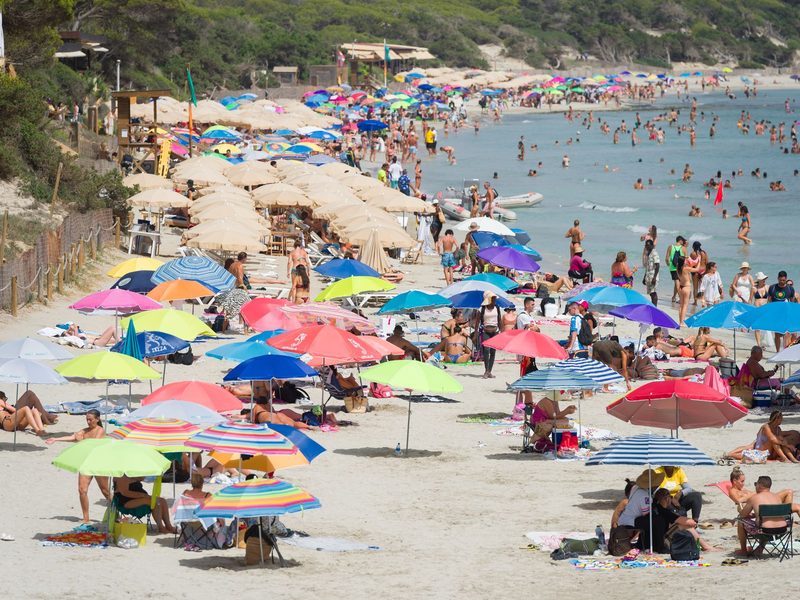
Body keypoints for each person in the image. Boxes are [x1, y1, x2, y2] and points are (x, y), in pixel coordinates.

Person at [45, 409, 110, 526]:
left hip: (98, 463)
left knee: (105, 491)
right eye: (87, 420)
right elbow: (72, 437)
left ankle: (117, 512)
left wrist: (81, 440)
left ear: (97, 419)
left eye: (90, 420)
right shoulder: (84, 431)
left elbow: (93, 445)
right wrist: (56, 439)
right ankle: (86, 518)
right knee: (82, 490)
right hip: (86, 464)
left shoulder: (100, 430)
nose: (88, 422)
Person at [652, 488, 721, 553]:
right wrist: (692, 522)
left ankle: (703, 545)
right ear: (667, 499)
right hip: (662, 543)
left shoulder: (656, 509)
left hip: (654, 542)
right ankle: (705, 546)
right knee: (685, 525)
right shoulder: (663, 511)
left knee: (682, 524)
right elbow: (689, 522)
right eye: (671, 497)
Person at [736, 476, 788, 557]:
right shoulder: (777, 497)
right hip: (782, 530)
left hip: (765, 531)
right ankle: (760, 549)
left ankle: (743, 550)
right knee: (767, 521)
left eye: (755, 484)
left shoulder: (754, 498)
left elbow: (743, 515)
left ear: (759, 485)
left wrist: (754, 515)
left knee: (740, 520)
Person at [617, 469, 667, 552]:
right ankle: (661, 547)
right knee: (659, 520)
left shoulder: (636, 488)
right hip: (630, 521)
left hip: (626, 518)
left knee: (653, 520)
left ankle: (642, 544)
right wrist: (656, 499)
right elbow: (647, 513)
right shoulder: (643, 495)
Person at [726, 411, 800, 463]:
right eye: (781, 418)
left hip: (770, 450)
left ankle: (791, 458)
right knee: (774, 439)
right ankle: (785, 458)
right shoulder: (766, 427)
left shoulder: (778, 428)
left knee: (779, 441)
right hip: (761, 448)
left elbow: (781, 439)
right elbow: (772, 439)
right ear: (776, 419)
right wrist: (786, 444)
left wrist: (786, 442)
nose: (782, 420)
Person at [768, 271, 797, 351]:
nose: (782, 282)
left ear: (786, 279)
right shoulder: (772, 287)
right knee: (777, 333)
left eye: (783, 280)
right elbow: (769, 302)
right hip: (776, 314)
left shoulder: (790, 289)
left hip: (786, 314)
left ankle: (786, 351)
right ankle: (778, 351)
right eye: (780, 280)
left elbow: (792, 303)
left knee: (787, 334)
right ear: (778, 278)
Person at [475, 291, 501, 378]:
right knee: (486, 350)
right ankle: (486, 370)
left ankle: (489, 371)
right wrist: (475, 334)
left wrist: (502, 331)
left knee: (493, 351)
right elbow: (477, 322)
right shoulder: (482, 309)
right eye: (493, 299)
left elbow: (499, 320)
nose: (495, 301)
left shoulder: (497, 308)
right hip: (486, 331)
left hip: (495, 331)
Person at [676, 255, 699, 326]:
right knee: (685, 306)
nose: (686, 261)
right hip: (686, 287)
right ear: (683, 262)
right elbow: (697, 269)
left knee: (681, 306)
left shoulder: (678, 267)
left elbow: (681, 263)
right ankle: (682, 322)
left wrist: (686, 258)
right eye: (685, 260)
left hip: (681, 287)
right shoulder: (685, 269)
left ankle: (680, 322)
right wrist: (699, 261)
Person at [666, 236, 687, 303]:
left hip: (673, 267)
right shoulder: (683, 248)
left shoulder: (670, 247)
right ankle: (681, 298)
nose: (683, 242)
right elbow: (686, 259)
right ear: (680, 241)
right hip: (681, 268)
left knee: (676, 282)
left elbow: (666, 258)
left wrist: (668, 264)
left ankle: (674, 297)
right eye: (682, 241)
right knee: (678, 283)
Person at [752, 272, 770, 346]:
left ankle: (763, 343)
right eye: (762, 279)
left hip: (765, 310)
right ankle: (759, 345)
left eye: (764, 279)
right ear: (758, 280)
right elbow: (750, 300)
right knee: (757, 328)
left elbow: (770, 299)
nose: (764, 280)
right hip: (757, 309)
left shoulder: (767, 287)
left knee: (765, 327)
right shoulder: (754, 288)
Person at [642, 239, 660, 305]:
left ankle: (655, 308)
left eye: (648, 246)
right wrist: (644, 277)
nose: (647, 247)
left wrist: (654, 277)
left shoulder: (654, 253)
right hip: (648, 276)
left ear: (652, 246)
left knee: (654, 293)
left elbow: (657, 265)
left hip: (653, 276)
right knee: (650, 293)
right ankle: (653, 306)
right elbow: (647, 267)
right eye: (646, 246)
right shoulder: (647, 254)